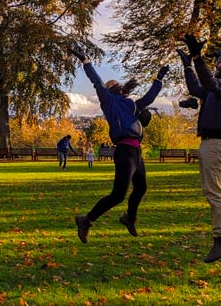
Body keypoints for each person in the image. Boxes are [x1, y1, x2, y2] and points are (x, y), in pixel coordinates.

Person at [70, 47, 168, 242]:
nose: (118, 86)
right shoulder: (109, 101)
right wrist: (86, 61)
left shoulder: (130, 104)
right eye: (114, 85)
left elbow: (148, 99)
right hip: (124, 151)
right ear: (111, 90)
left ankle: (129, 218)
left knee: (141, 187)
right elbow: (97, 82)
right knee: (118, 195)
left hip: (136, 151)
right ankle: (86, 220)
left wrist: (158, 79)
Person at [176, 33, 221, 263]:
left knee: (213, 192)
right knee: (213, 190)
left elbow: (208, 82)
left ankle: (220, 239)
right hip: (210, 142)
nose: (217, 63)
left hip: (217, 143)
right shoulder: (217, 88)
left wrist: (197, 57)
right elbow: (197, 87)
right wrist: (188, 66)